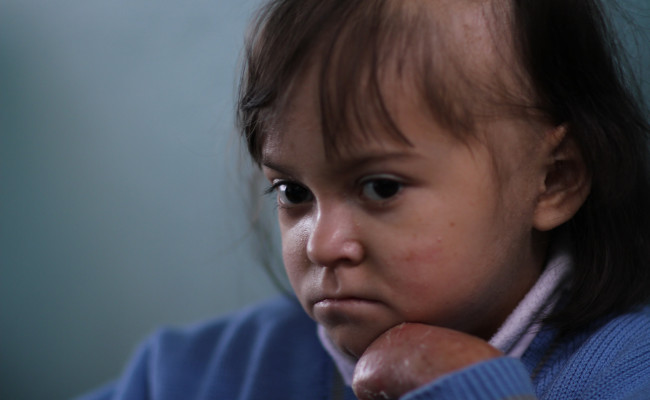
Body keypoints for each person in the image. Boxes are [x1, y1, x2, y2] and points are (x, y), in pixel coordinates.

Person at [77, 0, 650, 399]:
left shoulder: (628, 370)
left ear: (554, 180)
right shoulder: (197, 374)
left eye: (380, 188)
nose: (323, 245)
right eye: (293, 192)